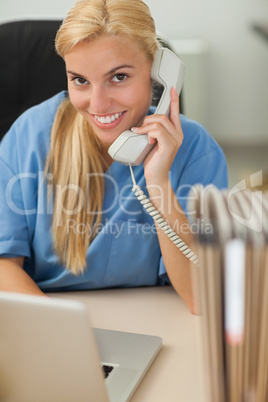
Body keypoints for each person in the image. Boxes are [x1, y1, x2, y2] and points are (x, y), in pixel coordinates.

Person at [0, 0, 227, 313]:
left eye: (118, 77)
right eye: (80, 80)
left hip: (158, 325)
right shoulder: (30, 135)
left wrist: (158, 181)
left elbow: (202, 297)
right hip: (54, 322)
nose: (98, 103)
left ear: (159, 72)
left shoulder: (196, 149)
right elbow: (3, 266)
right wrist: (65, 331)